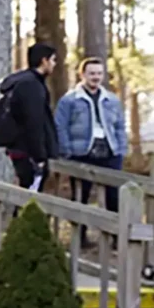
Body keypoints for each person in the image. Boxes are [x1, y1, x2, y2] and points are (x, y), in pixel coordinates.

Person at [55, 57, 127, 246]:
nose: (96, 77)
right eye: (92, 73)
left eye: (99, 73)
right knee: (81, 196)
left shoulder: (111, 99)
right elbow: (60, 126)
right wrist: (67, 150)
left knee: (114, 196)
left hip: (109, 152)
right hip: (82, 153)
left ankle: (116, 237)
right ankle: (80, 237)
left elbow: (120, 126)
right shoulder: (70, 100)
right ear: (82, 75)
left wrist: (121, 149)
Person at [0, 43, 61, 190]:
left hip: (20, 148)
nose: (54, 64)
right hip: (27, 151)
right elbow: (34, 122)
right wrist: (39, 156)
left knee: (26, 190)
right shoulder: (32, 86)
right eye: (53, 60)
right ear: (44, 61)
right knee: (29, 192)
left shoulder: (27, 82)